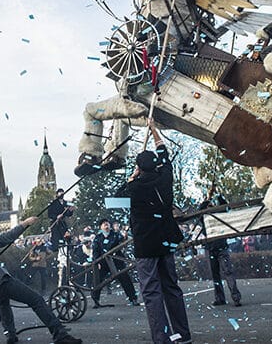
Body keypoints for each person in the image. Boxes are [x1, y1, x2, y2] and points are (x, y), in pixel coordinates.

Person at [0, 217, 82, 344]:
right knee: (36, 300)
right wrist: (24, 224)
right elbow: (2, 239)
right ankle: (60, 334)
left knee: (3, 303)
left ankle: (10, 335)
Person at [127, 118, 192, 344]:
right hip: (166, 241)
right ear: (155, 165)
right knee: (171, 288)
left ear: (139, 168)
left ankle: (162, 339)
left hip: (145, 247)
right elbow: (164, 153)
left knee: (152, 293)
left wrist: (131, 178)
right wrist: (154, 131)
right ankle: (183, 336)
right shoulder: (165, 177)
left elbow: (112, 203)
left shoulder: (132, 188)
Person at [198, 185, 241, 307]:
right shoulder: (204, 216)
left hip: (219, 247)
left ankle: (234, 297)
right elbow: (203, 207)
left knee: (226, 273)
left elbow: (224, 205)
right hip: (214, 248)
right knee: (219, 274)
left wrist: (216, 194)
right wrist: (211, 195)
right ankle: (223, 298)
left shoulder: (217, 214)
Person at [90, 218, 139, 308]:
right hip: (104, 262)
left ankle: (133, 299)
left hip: (117, 261)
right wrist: (97, 262)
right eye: (104, 224)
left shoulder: (116, 235)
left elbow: (122, 241)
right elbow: (95, 251)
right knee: (97, 280)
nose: (106, 225)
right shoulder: (98, 238)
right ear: (100, 227)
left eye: (107, 223)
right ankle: (96, 300)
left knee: (125, 278)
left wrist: (125, 236)